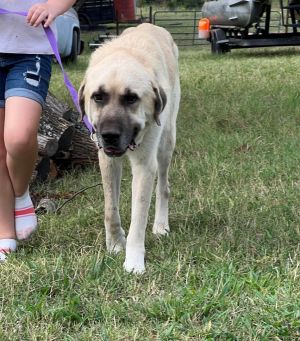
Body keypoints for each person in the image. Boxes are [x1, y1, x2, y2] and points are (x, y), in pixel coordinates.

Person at [0, 0, 76, 261]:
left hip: (29, 51)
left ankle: (20, 195)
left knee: (19, 137)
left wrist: (53, 7)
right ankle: (4, 231)